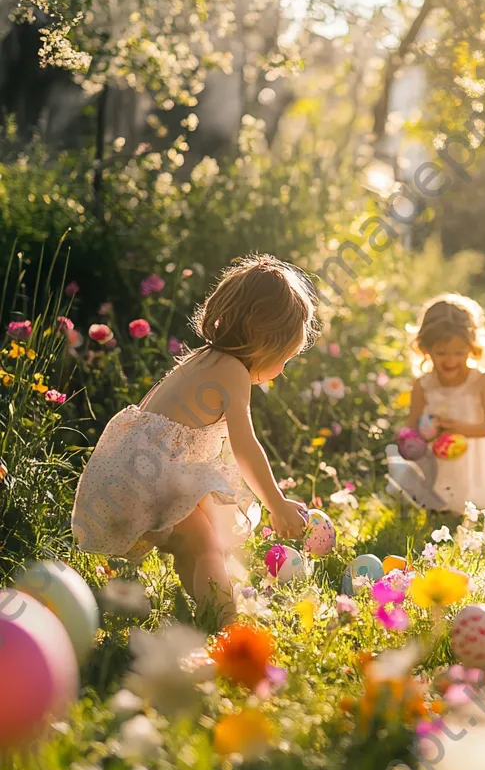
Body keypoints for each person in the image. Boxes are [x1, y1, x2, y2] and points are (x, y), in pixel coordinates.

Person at [71, 254, 318, 621]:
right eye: (286, 357)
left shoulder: (204, 360)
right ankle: (226, 623)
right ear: (266, 341)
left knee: (201, 539)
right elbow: (245, 446)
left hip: (135, 471)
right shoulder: (232, 370)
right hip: (151, 476)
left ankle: (207, 610)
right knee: (203, 544)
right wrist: (276, 504)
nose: (282, 370)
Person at [386, 293, 485, 514]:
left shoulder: (483, 381)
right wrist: (415, 439)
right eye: (441, 353)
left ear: (472, 348)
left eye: (459, 353)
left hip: (477, 464)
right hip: (438, 462)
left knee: (481, 503)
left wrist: (458, 428)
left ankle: (479, 508)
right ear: (425, 348)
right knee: (436, 501)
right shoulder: (423, 385)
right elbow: (411, 426)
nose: (450, 360)